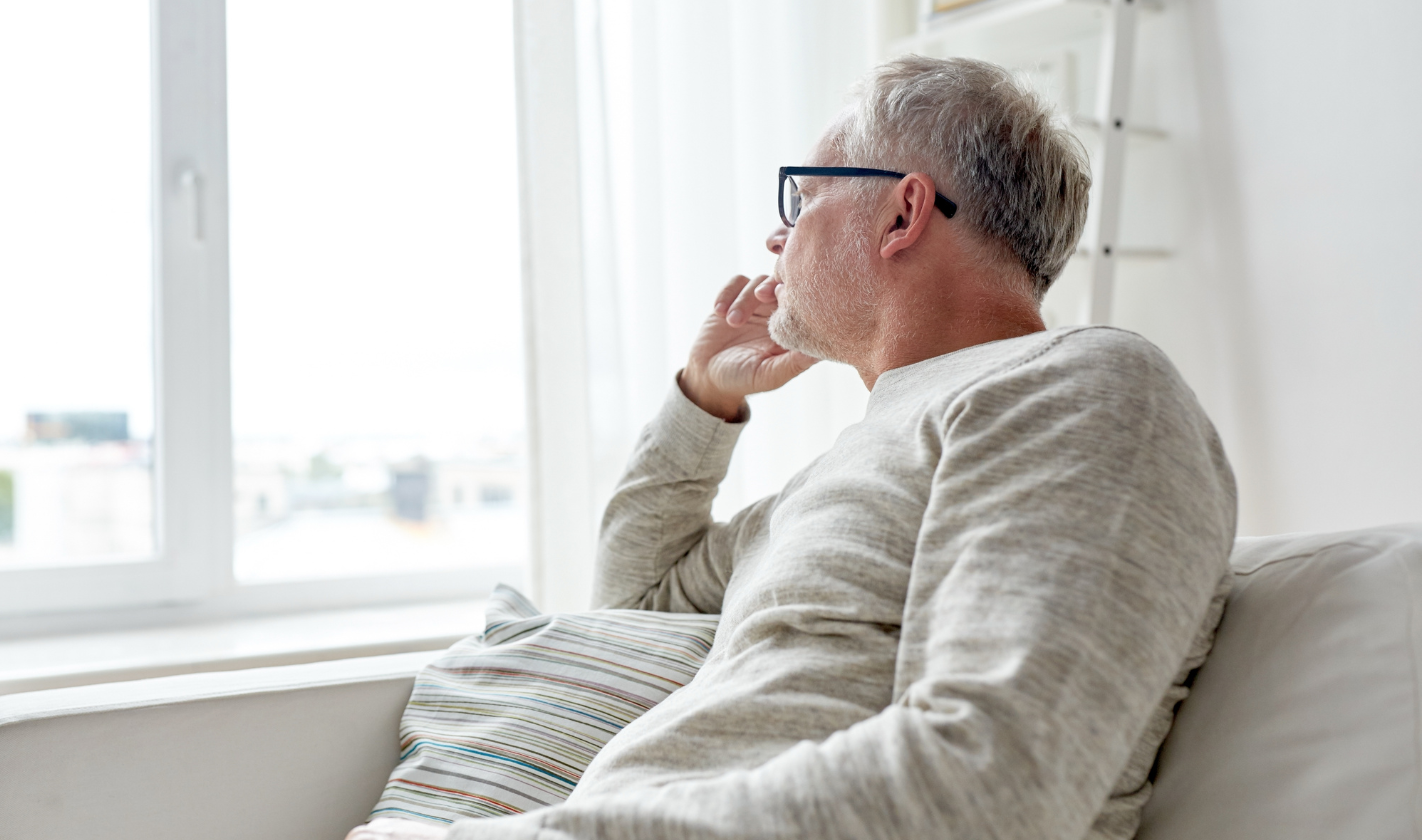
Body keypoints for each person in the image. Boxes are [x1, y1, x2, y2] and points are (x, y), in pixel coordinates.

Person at [353, 55, 1236, 840]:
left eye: (802, 196)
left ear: (902, 212)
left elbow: (994, 783)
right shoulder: (852, 468)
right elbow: (632, 605)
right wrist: (704, 396)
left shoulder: (1079, 388)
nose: (776, 237)